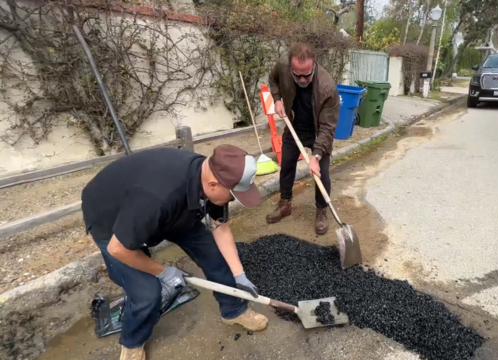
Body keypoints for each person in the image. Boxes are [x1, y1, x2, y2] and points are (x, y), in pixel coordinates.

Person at [81, 145, 268, 360]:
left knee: (216, 257)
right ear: (213, 184)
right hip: (110, 220)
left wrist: (239, 274)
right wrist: (163, 272)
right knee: (147, 292)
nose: (233, 199)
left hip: (168, 212)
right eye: (233, 195)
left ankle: (234, 310)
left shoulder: (212, 177)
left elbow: (220, 227)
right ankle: (132, 343)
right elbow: (119, 249)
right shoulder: (157, 197)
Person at [267, 42, 340, 235]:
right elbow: (272, 80)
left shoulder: (327, 87)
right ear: (290, 66)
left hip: (318, 130)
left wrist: (315, 156)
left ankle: (321, 210)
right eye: (296, 74)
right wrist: (276, 99)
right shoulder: (283, 66)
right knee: (287, 165)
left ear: (314, 64)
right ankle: (285, 203)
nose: (301, 79)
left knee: (321, 173)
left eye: (306, 74)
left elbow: (327, 127)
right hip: (295, 125)